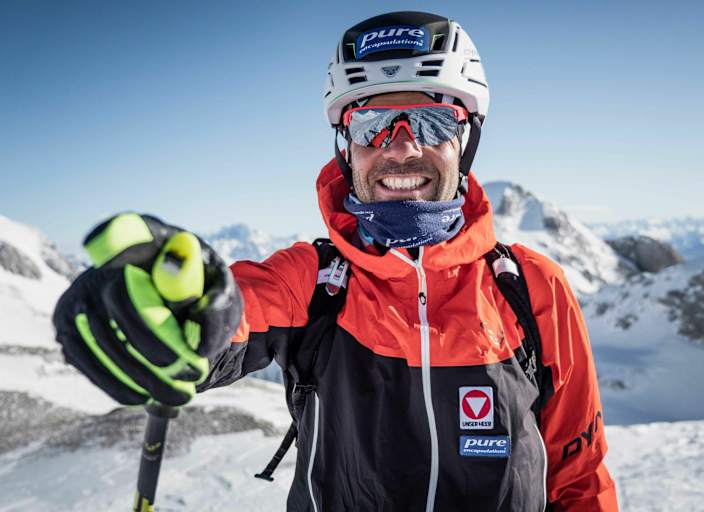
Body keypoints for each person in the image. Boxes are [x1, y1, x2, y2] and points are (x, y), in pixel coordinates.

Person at [53, 11, 618, 512]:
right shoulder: (313, 282)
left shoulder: (530, 286)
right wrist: (165, 305)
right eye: (373, 125)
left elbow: (579, 473)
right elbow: (232, 307)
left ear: (465, 140)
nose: (402, 147)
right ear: (346, 146)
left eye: (431, 122)